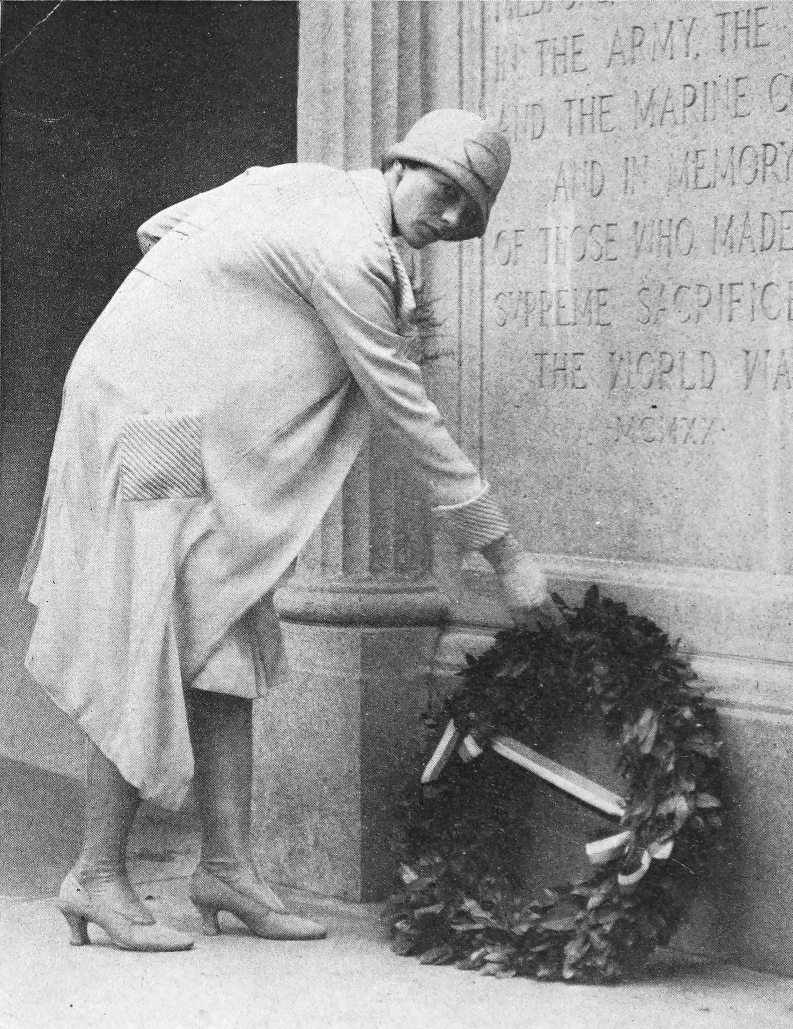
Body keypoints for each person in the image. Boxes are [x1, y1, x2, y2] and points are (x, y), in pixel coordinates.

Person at [20, 109, 558, 952]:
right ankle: (95, 874)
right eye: (447, 189)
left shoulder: (299, 184)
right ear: (401, 164)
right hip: (148, 417)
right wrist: (506, 556)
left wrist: (235, 334)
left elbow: (158, 229)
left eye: (470, 211)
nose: (452, 216)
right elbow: (405, 411)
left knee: (226, 627)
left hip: (152, 403)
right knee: (146, 632)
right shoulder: (350, 250)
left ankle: (226, 867)